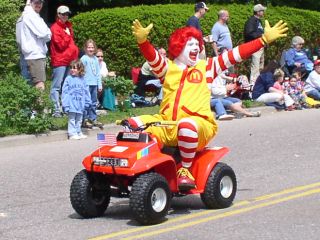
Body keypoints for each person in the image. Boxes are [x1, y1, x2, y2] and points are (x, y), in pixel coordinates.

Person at [130, 18, 288, 190]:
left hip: (199, 125)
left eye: (198, 44)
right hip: (166, 125)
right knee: (133, 125)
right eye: (191, 44)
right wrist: (142, 41)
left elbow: (236, 54)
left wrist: (262, 40)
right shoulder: (168, 68)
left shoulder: (207, 67)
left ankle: (186, 170)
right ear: (179, 46)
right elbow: (152, 56)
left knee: (187, 126)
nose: (197, 48)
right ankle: (148, 168)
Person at [50, 5, 79, 118]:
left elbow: (71, 44)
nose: (65, 16)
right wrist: (67, 35)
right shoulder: (55, 28)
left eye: (67, 14)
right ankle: (56, 110)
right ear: (58, 14)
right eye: (63, 14)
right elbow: (61, 45)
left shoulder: (68, 26)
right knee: (56, 86)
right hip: (60, 60)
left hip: (70, 60)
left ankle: (66, 108)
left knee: (67, 86)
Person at [18, 0, 51, 90]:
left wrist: (46, 33)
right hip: (35, 55)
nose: (39, 5)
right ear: (30, 3)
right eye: (36, 2)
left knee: (28, 85)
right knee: (39, 84)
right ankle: (39, 104)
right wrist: (47, 33)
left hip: (28, 55)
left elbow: (45, 33)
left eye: (40, 3)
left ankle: (31, 104)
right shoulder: (31, 16)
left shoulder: (27, 15)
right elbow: (45, 33)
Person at [62, 60, 91, 140]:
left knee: (79, 119)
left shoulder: (83, 80)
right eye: (71, 68)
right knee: (72, 119)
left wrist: (88, 101)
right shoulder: (68, 79)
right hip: (71, 103)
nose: (72, 69)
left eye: (74, 68)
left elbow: (86, 91)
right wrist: (65, 104)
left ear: (80, 69)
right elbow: (65, 92)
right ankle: (72, 133)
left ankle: (78, 132)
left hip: (80, 104)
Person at [80, 39, 103, 129]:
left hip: (94, 84)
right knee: (86, 102)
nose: (91, 49)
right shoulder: (84, 59)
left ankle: (93, 118)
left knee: (93, 102)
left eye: (92, 47)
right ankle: (84, 119)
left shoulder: (95, 59)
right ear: (86, 48)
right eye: (89, 47)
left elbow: (97, 73)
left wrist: (99, 85)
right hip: (86, 84)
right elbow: (81, 72)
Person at [244, 4, 266, 85]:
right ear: (257, 12)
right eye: (262, 11)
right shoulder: (251, 21)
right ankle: (253, 85)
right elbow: (249, 33)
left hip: (261, 46)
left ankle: (259, 84)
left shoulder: (259, 21)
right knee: (255, 67)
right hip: (255, 46)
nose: (263, 12)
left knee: (260, 67)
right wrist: (261, 35)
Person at [16, 0, 32, 82]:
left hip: (22, 49)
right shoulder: (28, 19)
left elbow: (18, 39)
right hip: (30, 51)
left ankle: (25, 92)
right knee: (30, 75)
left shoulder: (20, 19)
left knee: (25, 73)